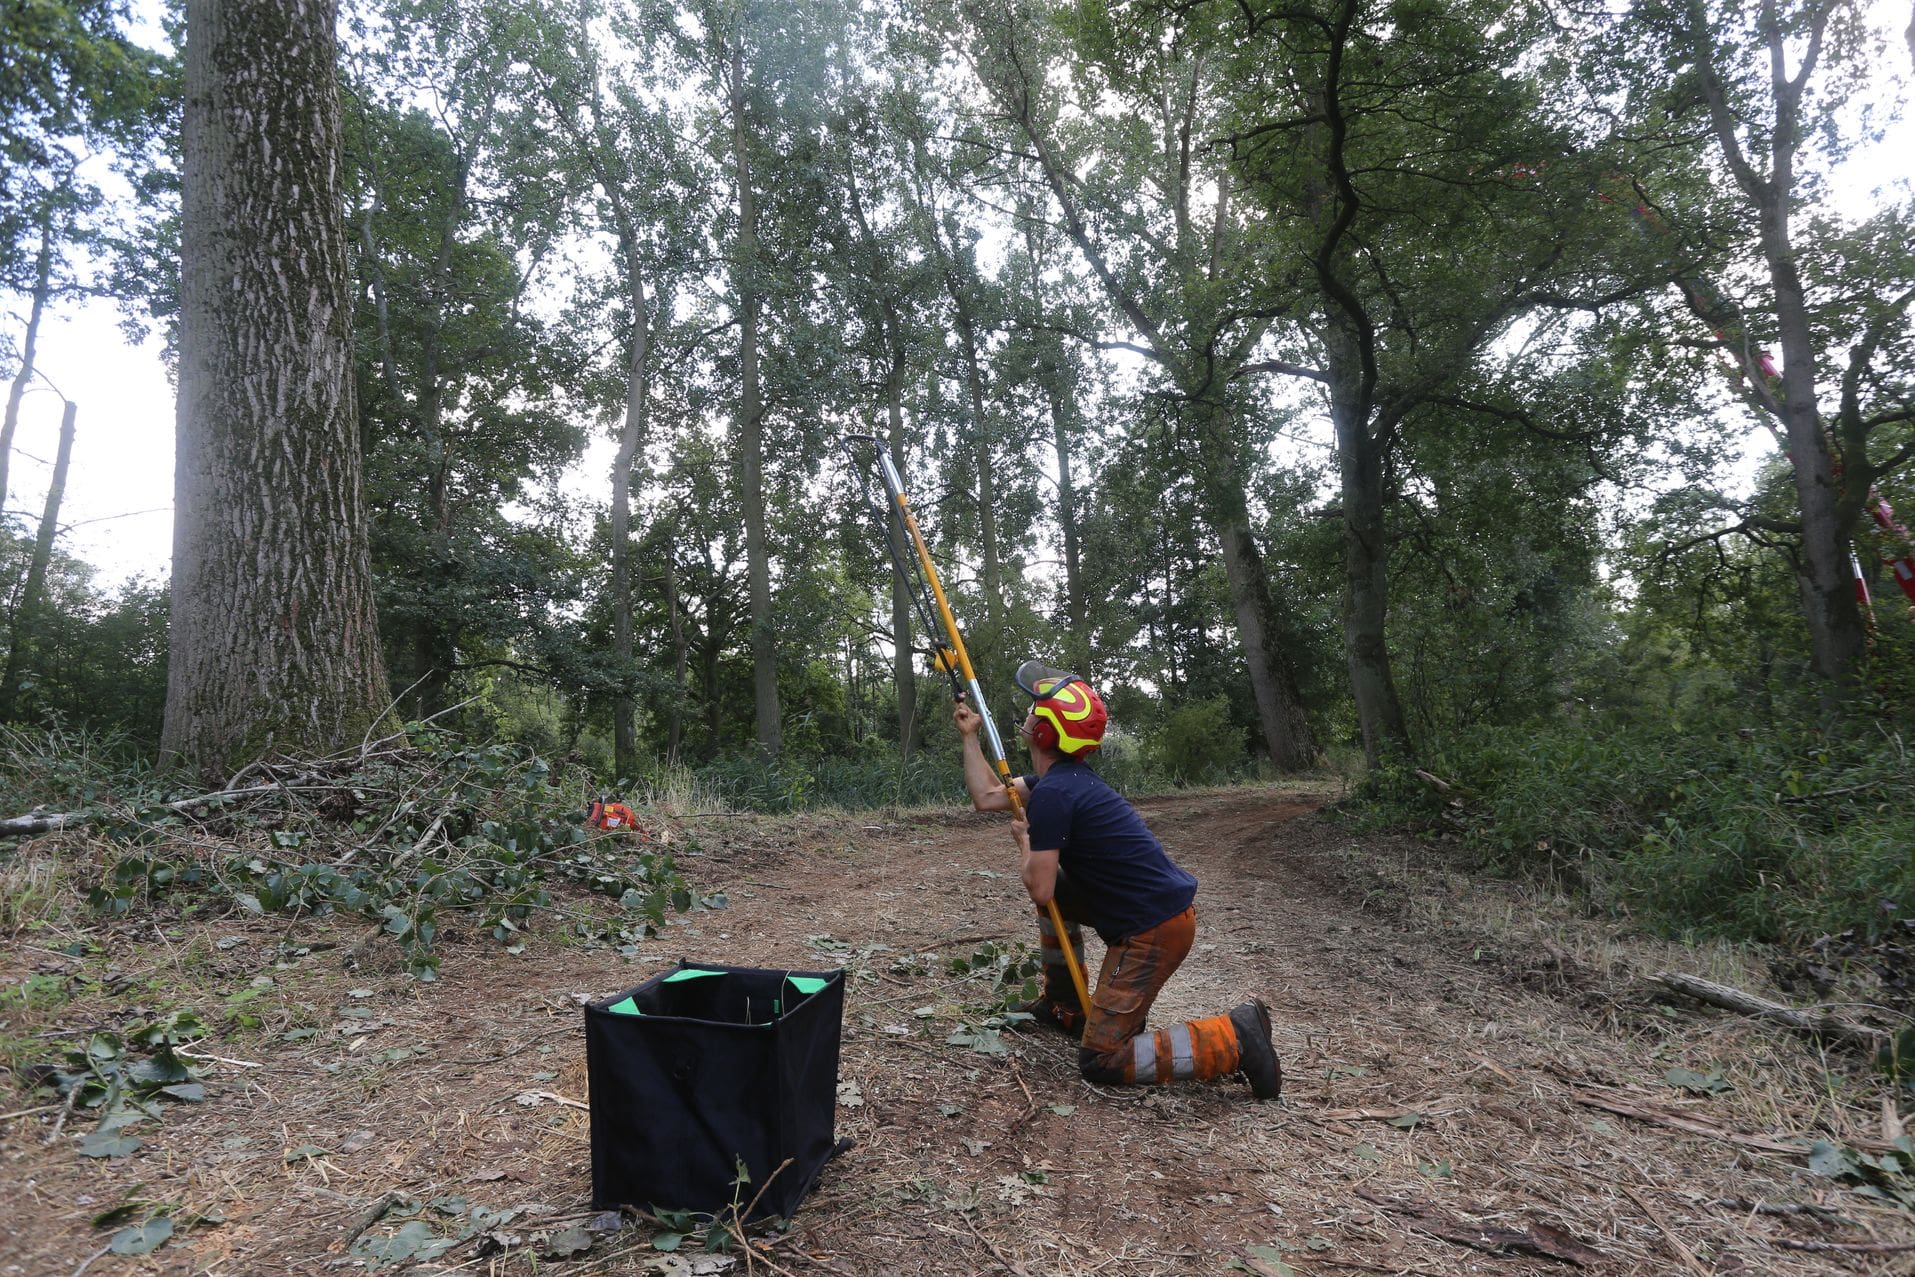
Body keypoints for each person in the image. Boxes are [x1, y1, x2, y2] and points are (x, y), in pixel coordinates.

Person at [954, 660, 1281, 1099]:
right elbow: (988, 797)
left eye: (1036, 710)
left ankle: (1235, 1038)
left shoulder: (1055, 793)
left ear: (1045, 734)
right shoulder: (1058, 781)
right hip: (1149, 916)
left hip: (1153, 931)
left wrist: (1027, 842)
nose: (1028, 715)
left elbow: (1039, 886)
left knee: (1102, 1060)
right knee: (1063, 896)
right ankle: (1065, 1004)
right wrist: (970, 736)